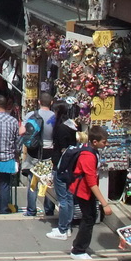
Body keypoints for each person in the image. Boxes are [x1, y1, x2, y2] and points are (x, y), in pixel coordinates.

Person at [69, 125, 113, 260]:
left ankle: (78, 244)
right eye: (104, 142)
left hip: (85, 190)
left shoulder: (91, 152)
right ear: (95, 142)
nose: (106, 144)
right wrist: (105, 204)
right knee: (89, 218)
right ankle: (78, 250)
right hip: (83, 191)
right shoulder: (88, 156)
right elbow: (91, 182)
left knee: (90, 217)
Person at [46, 100, 79, 240]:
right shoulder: (71, 126)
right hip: (70, 166)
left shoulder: (60, 128)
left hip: (61, 165)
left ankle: (62, 229)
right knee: (69, 197)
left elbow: (62, 148)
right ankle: (67, 226)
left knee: (63, 199)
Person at [23, 92, 56, 217]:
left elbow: (22, 131)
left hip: (34, 150)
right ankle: (49, 209)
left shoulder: (31, 115)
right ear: (51, 103)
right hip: (50, 150)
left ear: (38, 102)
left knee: (33, 181)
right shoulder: (55, 117)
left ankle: (31, 210)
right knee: (48, 180)